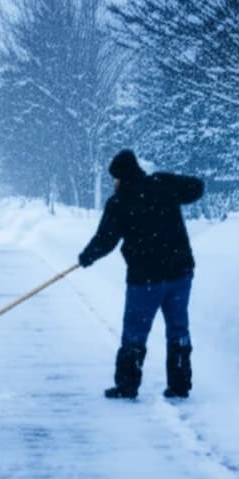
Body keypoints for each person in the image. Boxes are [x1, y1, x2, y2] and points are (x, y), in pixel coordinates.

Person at [78, 149, 204, 399]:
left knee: (135, 331)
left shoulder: (119, 202)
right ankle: (180, 385)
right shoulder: (162, 183)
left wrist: (86, 257)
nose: (114, 183)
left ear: (122, 176)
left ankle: (127, 385)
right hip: (180, 274)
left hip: (145, 279)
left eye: (115, 178)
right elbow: (196, 188)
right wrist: (170, 185)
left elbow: (106, 239)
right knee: (178, 328)